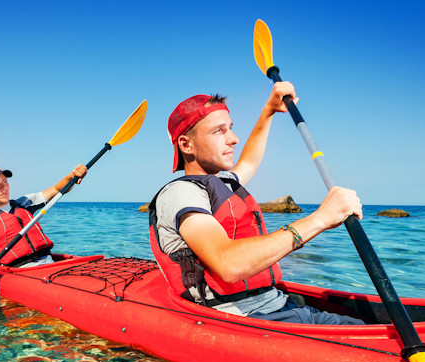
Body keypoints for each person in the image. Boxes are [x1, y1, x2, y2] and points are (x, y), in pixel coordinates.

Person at [148, 82, 365, 325]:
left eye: (231, 128)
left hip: (276, 304)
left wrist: (268, 111)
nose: (234, 139)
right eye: (219, 131)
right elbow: (228, 264)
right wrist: (321, 218)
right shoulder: (181, 194)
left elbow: (250, 161)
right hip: (245, 319)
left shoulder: (224, 183)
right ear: (186, 144)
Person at [0, 163, 87, 279]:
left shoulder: (24, 203)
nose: (2, 187)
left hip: (50, 266)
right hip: (20, 275)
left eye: (4, 181)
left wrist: (72, 176)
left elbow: (57, 189)